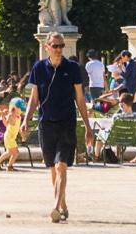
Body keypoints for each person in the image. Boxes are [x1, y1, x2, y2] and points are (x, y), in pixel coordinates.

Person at [22, 30, 93, 224]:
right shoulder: (38, 68)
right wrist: (26, 119)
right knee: (53, 167)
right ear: (47, 47)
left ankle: (55, 206)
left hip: (67, 122)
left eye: (61, 46)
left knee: (61, 165)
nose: (59, 49)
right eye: (55, 46)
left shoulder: (72, 67)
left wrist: (87, 126)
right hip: (46, 122)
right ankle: (62, 203)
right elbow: (34, 98)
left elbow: (80, 97)